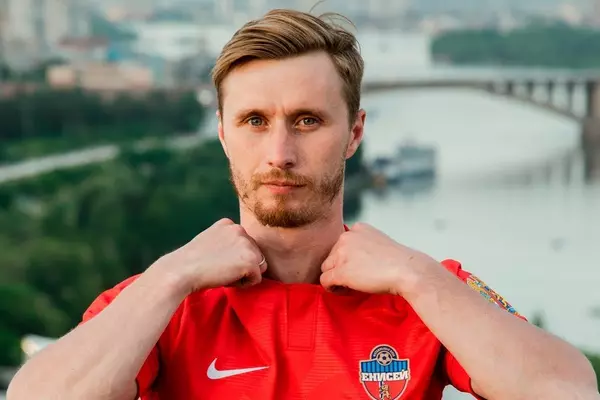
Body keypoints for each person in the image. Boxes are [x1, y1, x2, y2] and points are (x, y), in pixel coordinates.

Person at [7, 9, 598, 400]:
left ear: (355, 133)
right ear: (222, 133)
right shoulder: (163, 300)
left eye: (308, 120)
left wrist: (417, 277)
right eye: (254, 121)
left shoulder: (424, 293)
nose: (280, 153)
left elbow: (569, 390)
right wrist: (171, 276)